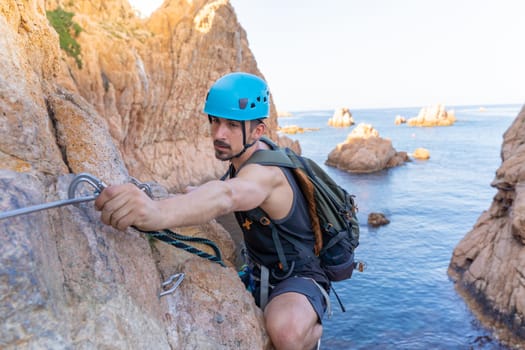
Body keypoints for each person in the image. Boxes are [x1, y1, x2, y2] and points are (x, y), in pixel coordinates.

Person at [95, 72, 329, 350]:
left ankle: (312, 336)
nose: (218, 133)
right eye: (215, 121)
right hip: (259, 269)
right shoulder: (248, 157)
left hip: (298, 276)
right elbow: (229, 187)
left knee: (286, 332)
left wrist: (156, 212)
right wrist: (194, 196)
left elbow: (228, 195)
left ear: (257, 132)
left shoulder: (267, 173)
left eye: (232, 124)